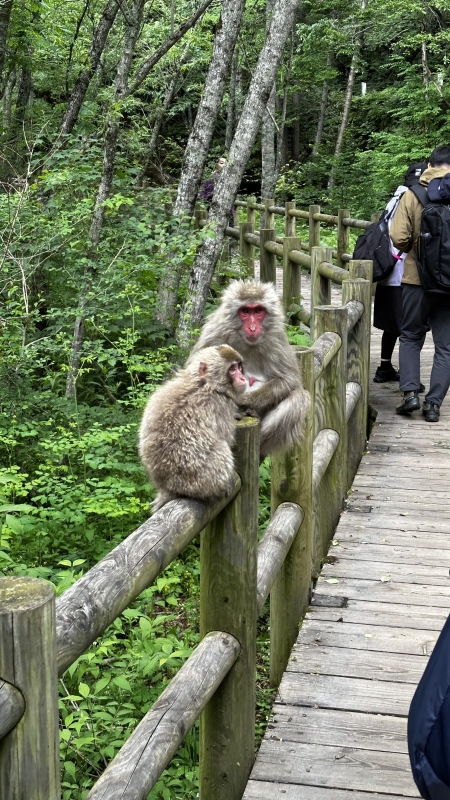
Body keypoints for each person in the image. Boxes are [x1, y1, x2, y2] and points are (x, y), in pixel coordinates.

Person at [390, 145, 450, 422]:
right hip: (449, 283)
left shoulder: (413, 193)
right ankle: (434, 405)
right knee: (446, 346)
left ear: (429, 164)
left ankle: (411, 394)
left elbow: (399, 237)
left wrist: (418, 248)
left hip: (416, 279)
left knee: (411, 336)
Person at [373, 162, 428, 383]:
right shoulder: (415, 199)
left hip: (387, 269)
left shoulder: (395, 197)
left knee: (392, 325)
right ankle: (408, 378)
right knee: (410, 328)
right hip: (405, 272)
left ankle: (384, 366)